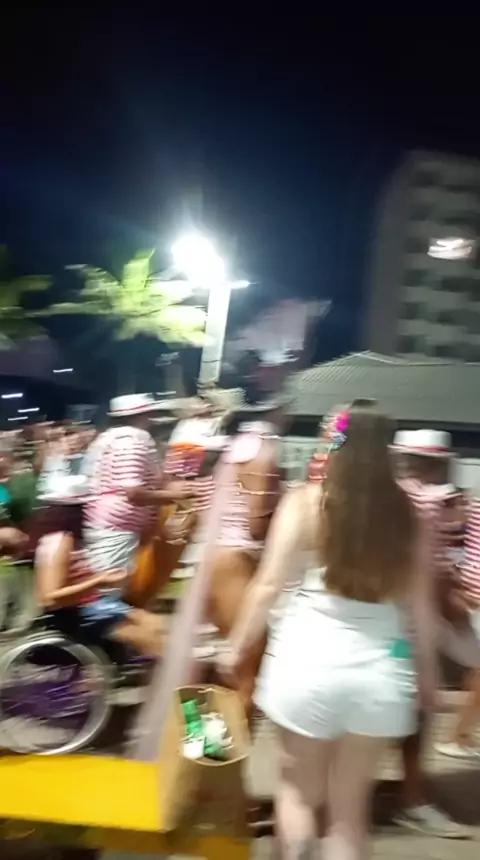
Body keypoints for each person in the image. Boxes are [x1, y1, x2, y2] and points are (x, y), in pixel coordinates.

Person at [219, 400, 436, 860]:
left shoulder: (305, 503)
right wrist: (428, 675)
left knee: (298, 796)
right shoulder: (411, 516)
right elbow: (421, 609)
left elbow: (268, 585)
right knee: (349, 816)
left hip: (306, 666)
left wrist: (235, 647)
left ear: (333, 443)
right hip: (381, 676)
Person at [392, 429, 471, 837]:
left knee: (401, 704)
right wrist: (456, 615)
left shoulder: (388, 495)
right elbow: (438, 572)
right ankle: (413, 798)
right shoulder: (439, 501)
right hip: (411, 627)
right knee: (418, 707)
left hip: (384, 618)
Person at [35, 480, 164, 658]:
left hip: (90, 607)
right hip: (75, 616)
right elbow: (50, 597)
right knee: (151, 640)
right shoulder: (59, 543)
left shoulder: (70, 540)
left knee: (156, 625)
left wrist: (102, 578)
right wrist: (98, 581)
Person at [82, 394, 195, 587]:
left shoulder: (110, 438)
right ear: (140, 416)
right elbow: (133, 493)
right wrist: (175, 495)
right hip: (118, 525)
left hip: (111, 522)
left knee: (118, 581)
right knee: (111, 585)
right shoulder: (130, 441)